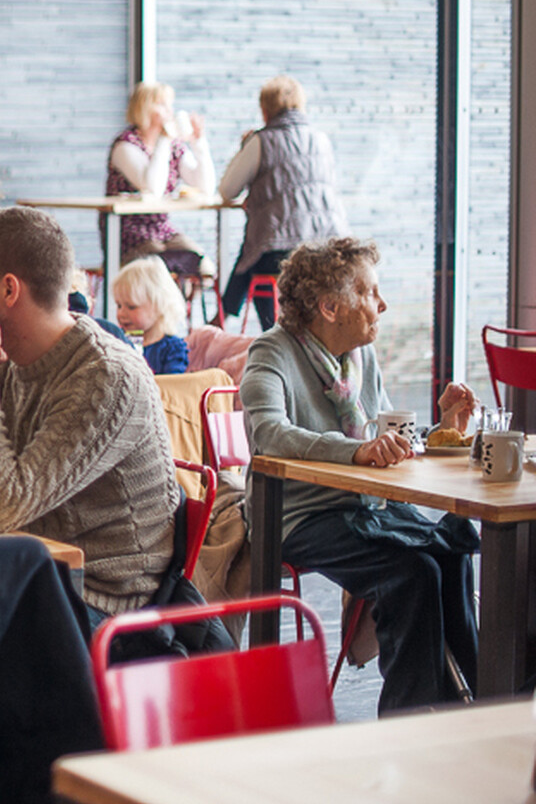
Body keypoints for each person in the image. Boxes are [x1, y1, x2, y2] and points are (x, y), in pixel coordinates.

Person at [0, 207, 180, 620]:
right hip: (25, 577)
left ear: (9, 290)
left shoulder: (107, 378)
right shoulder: (2, 360)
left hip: (99, 605)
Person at [240, 237, 477, 714]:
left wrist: (443, 430)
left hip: (368, 507)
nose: (383, 304)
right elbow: (269, 433)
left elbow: (385, 439)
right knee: (412, 572)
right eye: (370, 293)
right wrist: (357, 453)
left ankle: (471, 702)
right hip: (300, 516)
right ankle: (409, 720)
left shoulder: (360, 358)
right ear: (330, 307)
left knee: (453, 546)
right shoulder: (271, 352)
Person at [217, 75, 350, 331]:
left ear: (264, 110)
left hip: (283, 253)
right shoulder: (321, 139)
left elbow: (227, 190)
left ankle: (238, 323)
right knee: (252, 255)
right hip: (329, 248)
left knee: (253, 256)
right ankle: (223, 317)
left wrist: (245, 147)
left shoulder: (262, 142)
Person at [104, 81, 216, 276]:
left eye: (169, 105)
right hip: (129, 234)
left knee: (204, 267)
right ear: (145, 108)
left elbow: (205, 187)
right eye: (162, 105)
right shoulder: (126, 145)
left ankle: (181, 305)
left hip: (162, 230)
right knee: (161, 271)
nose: (169, 111)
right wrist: (164, 139)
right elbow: (152, 187)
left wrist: (199, 143)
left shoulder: (174, 147)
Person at [112, 257, 190, 375]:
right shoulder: (117, 343)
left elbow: (172, 388)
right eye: (119, 306)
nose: (121, 313)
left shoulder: (172, 349)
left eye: (131, 307)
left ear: (160, 306)